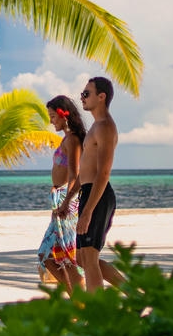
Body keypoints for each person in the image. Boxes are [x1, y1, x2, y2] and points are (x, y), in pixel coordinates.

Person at [71, 75, 126, 291]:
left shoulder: (104, 127)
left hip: (98, 195)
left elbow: (103, 173)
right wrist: (69, 200)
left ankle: (96, 315)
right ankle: (132, 293)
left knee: (90, 257)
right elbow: (85, 171)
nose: (82, 97)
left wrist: (88, 212)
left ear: (101, 97)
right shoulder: (95, 127)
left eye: (86, 93)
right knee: (82, 258)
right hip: (88, 193)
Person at [37, 95, 84, 288]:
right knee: (52, 255)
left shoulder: (72, 139)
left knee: (65, 255)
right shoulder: (67, 139)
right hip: (60, 199)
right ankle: (78, 301)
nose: (51, 121)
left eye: (53, 116)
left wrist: (65, 202)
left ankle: (80, 302)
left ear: (64, 115)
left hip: (67, 199)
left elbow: (75, 175)